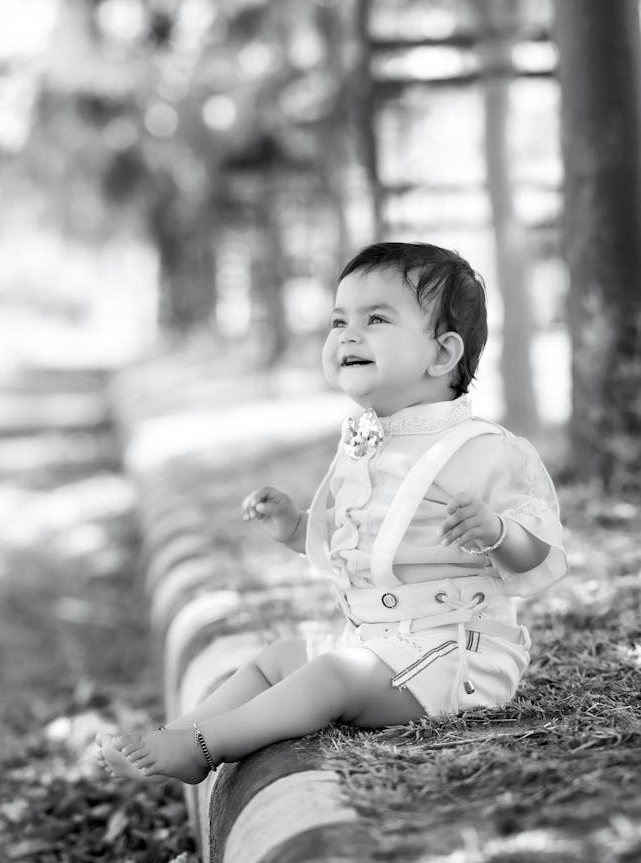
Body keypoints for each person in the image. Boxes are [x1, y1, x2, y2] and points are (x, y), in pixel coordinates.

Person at [97, 241, 567, 785]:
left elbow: (542, 550)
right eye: (339, 320)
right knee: (273, 661)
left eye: (376, 319)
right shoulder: (369, 443)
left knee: (330, 678)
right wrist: (297, 527)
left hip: (453, 656)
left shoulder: (484, 449)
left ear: (442, 355)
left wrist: (500, 532)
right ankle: (177, 732)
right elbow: (356, 541)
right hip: (378, 642)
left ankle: (203, 748)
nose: (348, 334)